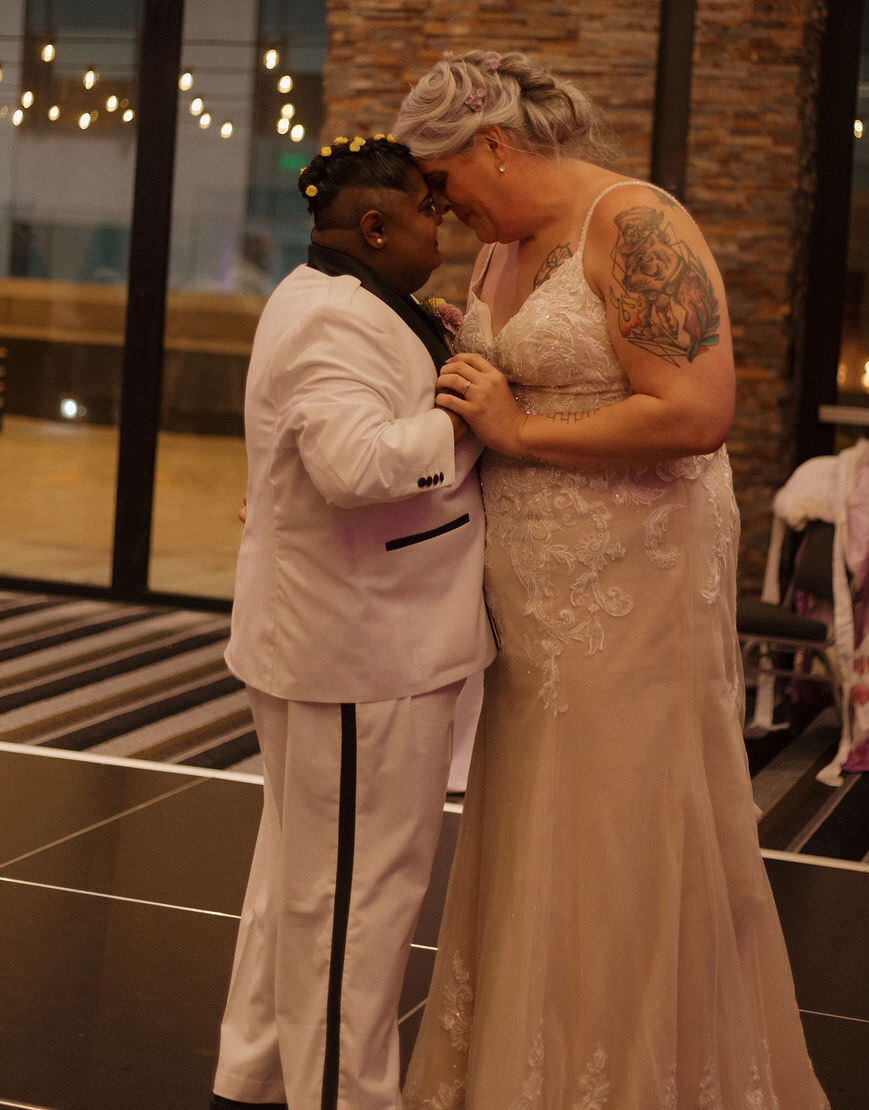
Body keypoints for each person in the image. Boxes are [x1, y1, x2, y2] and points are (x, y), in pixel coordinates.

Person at [393, 50, 830, 1107]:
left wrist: (519, 426)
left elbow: (693, 414)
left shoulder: (636, 226)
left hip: (633, 576)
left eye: (439, 176)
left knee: (619, 821)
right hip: (531, 591)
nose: (435, 204)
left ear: (491, 144)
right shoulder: (502, 250)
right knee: (537, 810)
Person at [210, 135, 495, 1110]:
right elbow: (357, 469)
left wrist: (446, 358)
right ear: (373, 226)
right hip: (357, 656)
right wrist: (467, 415)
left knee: (300, 892)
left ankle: (249, 1083)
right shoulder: (331, 318)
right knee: (353, 908)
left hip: (355, 641)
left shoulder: (351, 299)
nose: (440, 225)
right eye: (425, 209)